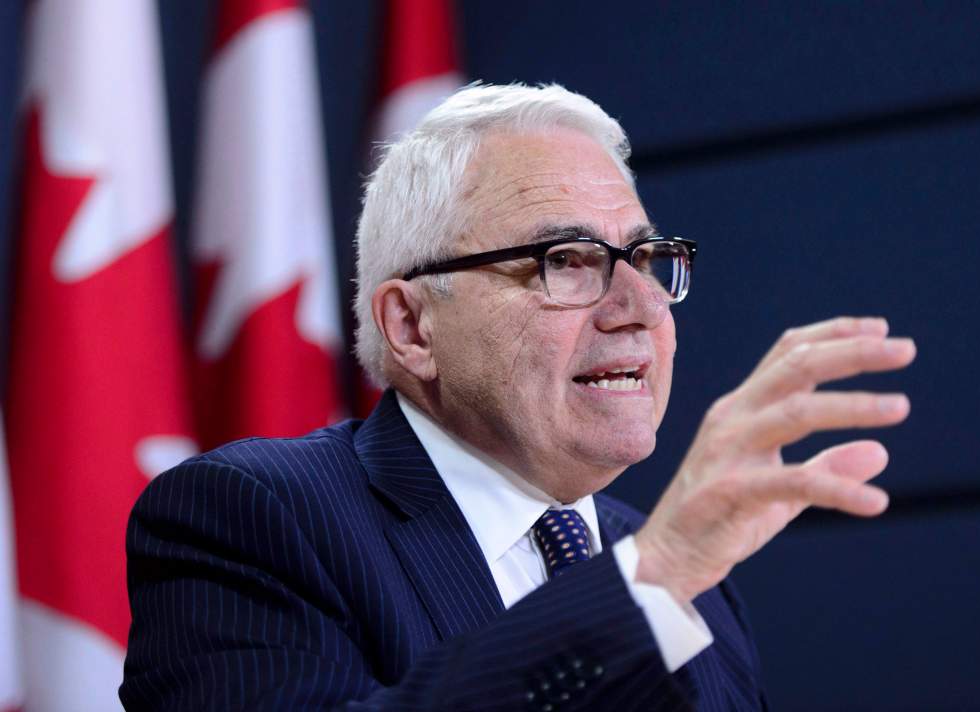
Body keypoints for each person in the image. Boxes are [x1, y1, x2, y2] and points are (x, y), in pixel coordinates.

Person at [121, 83, 915, 711]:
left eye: (646, 256)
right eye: (566, 259)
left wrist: (661, 574)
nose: (639, 303)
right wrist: (648, 586)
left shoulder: (692, 581)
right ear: (412, 325)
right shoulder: (252, 519)